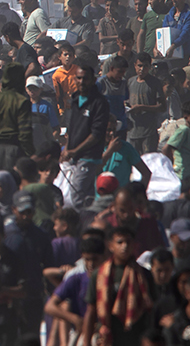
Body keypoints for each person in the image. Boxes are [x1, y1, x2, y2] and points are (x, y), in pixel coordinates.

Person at [80, 226, 154, 346]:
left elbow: (152, 309)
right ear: (111, 246)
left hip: (137, 337)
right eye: (120, 242)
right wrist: (86, 342)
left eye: (128, 242)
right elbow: (91, 310)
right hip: (108, 338)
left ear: (134, 245)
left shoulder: (144, 275)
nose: (124, 246)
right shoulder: (99, 274)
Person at [64, 59, 113, 210]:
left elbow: (96, 134)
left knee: (76, 196)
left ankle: (81, 226)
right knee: (87, 196)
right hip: (74, 157)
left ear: (93, 80)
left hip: (89, 156)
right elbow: (72, 129)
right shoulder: (74, 100)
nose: (81, 82)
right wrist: (67, 148)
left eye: (85, 78)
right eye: (78, 78)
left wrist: (75, 150)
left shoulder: (99, 102)